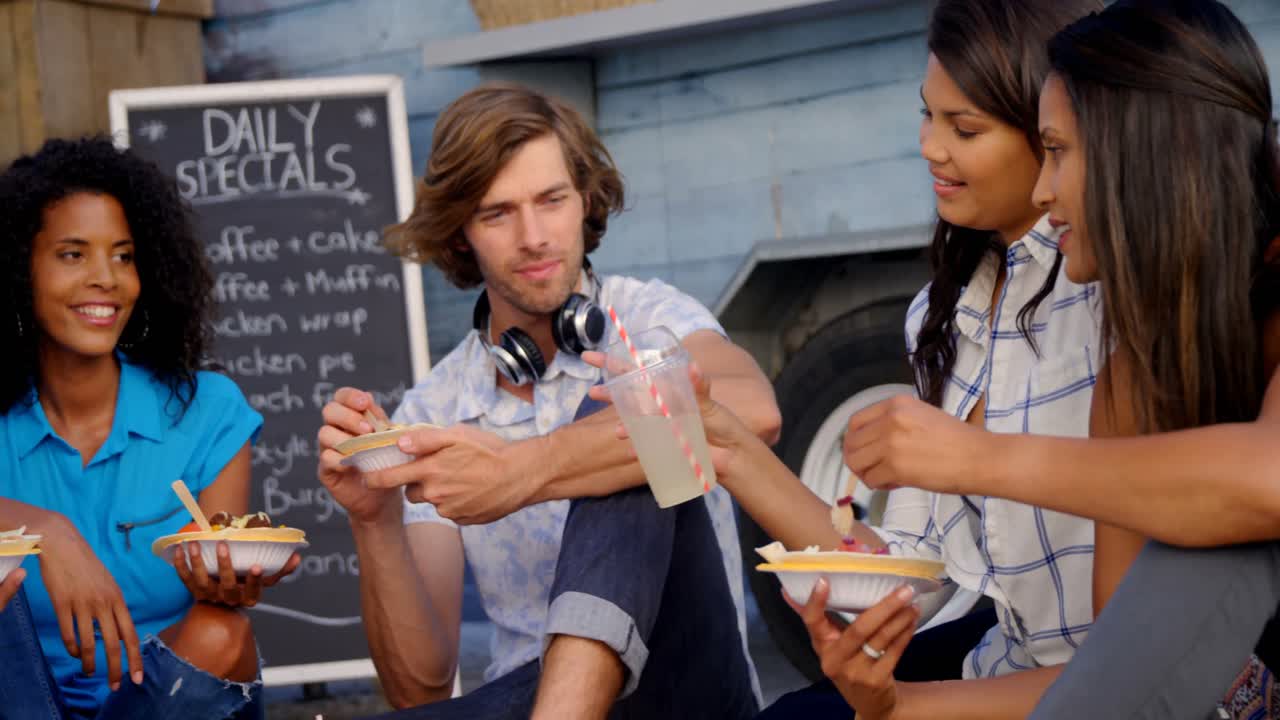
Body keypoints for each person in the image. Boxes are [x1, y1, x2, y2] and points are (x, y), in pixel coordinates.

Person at [585, 0, 1102, 717]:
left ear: (1052, 135)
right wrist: (722, 443)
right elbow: (905, 577)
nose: (929, 146)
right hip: (1003, 663)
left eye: (965, 128)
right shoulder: (948, 310)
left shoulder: (1108, 298)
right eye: (928, 115)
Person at [839, 1, 1280, 717]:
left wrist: (978, 458)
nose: (1045, 192)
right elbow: (1112, 666)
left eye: (1058, 151)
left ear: (1140, 152)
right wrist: (890, 707)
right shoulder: (1137, 363)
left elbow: (1269, 480)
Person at [315, 84, 781, 719]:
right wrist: (375, 523)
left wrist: (526, 469)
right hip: (524, 697)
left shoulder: (647, 319)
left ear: (584, 201)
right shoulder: (434, 411)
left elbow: (756, 414)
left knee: (638, 404)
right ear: (460, 236)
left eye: (552, 201)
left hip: (686, 689)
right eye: (498, 214)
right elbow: (419, 686)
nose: (533, 236)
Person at [0, 137, 298, 720]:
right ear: (18, 269)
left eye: (124, 255)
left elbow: (220, 593)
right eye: (72, 254)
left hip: (167, 704)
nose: (106, 278)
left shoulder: (206, 411)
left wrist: (228, 579)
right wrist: (44, 529)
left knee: (222, 634)